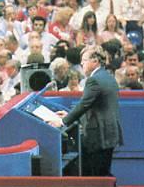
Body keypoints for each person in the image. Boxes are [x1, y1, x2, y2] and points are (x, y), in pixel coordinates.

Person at [51, 46, 123, 176]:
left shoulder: (94, 80)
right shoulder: (107, 76)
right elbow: (93, 106)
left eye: (84, 60)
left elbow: (84, 105)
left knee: (97, 175)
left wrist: (63, 121)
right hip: (109, 132)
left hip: (99, 135)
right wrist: (69, 114)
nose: (81, 64)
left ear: (95, 61)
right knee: (103, 172)